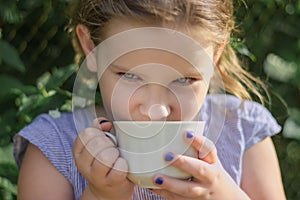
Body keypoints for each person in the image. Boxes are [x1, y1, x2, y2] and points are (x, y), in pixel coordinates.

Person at [13, 0, 286, 199]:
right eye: (130, 76)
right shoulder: (54, 148)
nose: (156, 111)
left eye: (183, 80)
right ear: (92, 48)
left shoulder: (242, 130)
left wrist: (224, 196)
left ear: (215, 55)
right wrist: (100, 196)